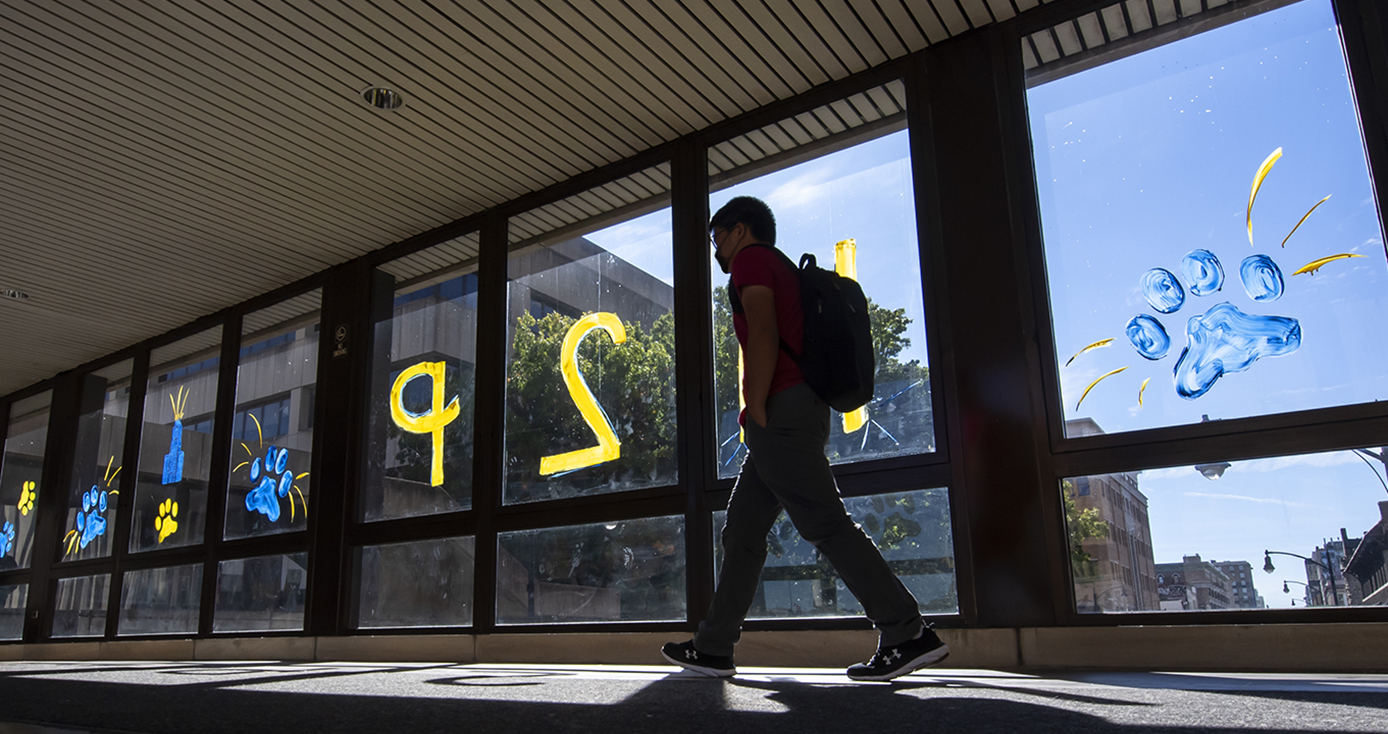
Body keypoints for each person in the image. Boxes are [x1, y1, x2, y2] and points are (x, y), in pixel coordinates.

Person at [661, 196, 949, 681]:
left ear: (740, 230)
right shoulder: (781, 267)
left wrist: (756, 407)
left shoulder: (752, 260)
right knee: (744, 531)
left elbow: (765, 331)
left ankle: (906, 631)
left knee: (825, 523)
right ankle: (713, 647)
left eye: (717, 237)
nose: (717, 249)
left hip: (783, 412)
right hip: (797, 411)